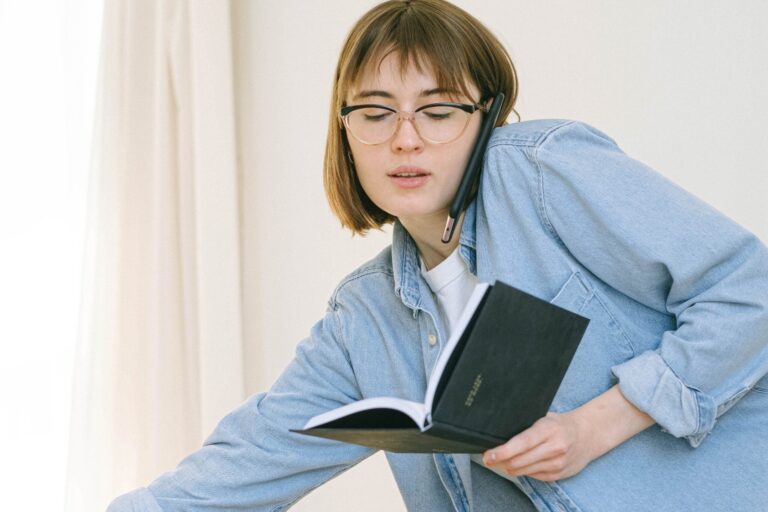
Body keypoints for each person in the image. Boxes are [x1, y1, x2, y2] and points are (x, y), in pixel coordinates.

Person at [108, 1, 768, 510]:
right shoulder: (362, 320)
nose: (405, 140)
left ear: (487, 116)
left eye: (439, 110)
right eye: (374, 113)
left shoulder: (542, 173)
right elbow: (245, 462)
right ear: (345, 133)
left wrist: (601, 422)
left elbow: (748, 290)